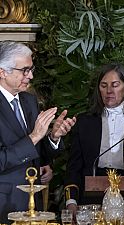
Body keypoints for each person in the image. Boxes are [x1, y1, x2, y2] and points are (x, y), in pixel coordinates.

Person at [0, 41, 76, 223]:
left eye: (31, 69)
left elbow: (38, 156)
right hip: (4, 204)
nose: (31, 75)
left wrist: (53, 137)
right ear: (2, 72)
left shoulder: (29, 101)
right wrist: (34, 136)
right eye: (24, 70)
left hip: (33, 203)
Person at [65, 63, 124, 213]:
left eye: (115, 85)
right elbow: (74, 167)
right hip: (91, 195)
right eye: (104, 85)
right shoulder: (84, 122)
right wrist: (71, 201)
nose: (109, 91)